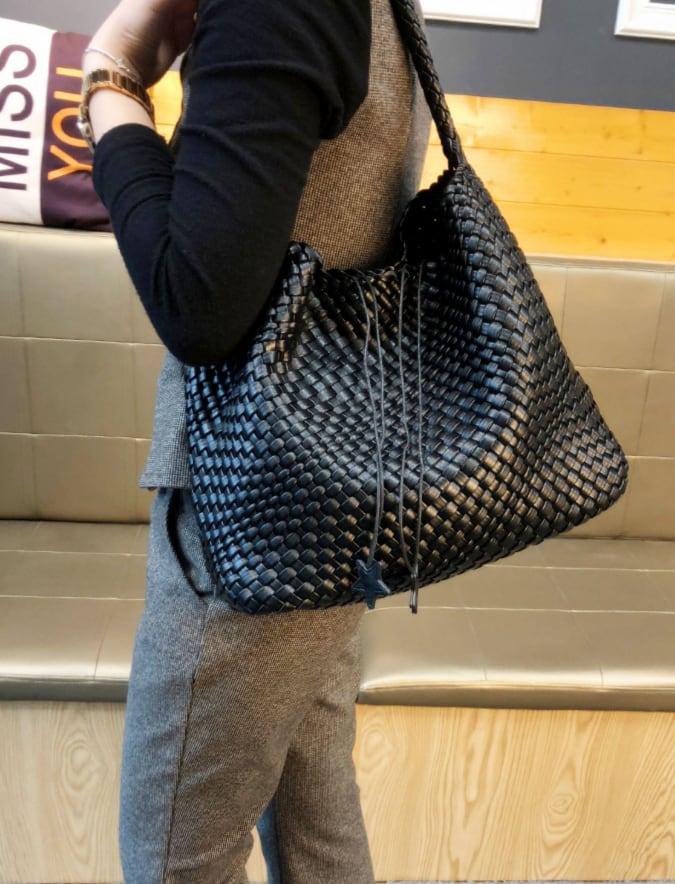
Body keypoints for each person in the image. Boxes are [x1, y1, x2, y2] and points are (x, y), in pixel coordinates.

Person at [82, 0, 429, 880]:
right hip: (345, 487)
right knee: (317, 820)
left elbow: (198, 303)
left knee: (176, 860)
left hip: (252, 500)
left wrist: (111, 80)